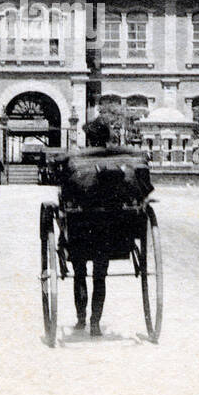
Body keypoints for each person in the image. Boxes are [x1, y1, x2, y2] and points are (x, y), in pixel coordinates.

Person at [60, 116, 153, 337]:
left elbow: (65, 193)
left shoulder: (77, 160)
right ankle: (95, 323)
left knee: (80, 272)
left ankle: (82, 319)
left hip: (81, 227)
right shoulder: (123, 159)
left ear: (89, 138)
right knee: (100, 275)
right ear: (107, 137)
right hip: (112, 229)